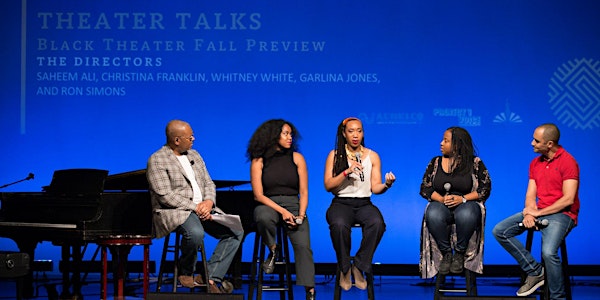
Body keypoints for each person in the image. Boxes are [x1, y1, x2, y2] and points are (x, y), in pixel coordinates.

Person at [147, 120, 243, 293]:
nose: (193, 139)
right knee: (196, 233)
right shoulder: (157, 159)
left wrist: (208, 202)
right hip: (177, 211)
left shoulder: (195, 155)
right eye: (189, 136)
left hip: (203, 208)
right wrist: (196, 207)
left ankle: (210, 277)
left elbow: (208, 182)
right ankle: (185, 271)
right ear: (177, 140)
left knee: (236, 231)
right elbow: (164, 195)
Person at [493, 123, 579, 299]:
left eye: (536, 141)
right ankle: (535, 271)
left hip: (562, 214)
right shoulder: (535, 163)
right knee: (500, 231)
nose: (532, 143)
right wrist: (530, 212)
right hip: (539, 211)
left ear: (549, 144)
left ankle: (557, 297)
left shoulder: (568, 161)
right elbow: (530, 194)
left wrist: (538, 213)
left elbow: (568, 199)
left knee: (548, 252)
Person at [246, 119, 316, 300]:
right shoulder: (259, 160)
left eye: (291, 134)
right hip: (268, 203)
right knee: (262, 216)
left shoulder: (297, 158)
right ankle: (272, 249)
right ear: (272, 135)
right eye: (285, 133)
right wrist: (283, 212)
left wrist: (300, 215)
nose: (290, 137)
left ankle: (310, 291)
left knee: (303, 246)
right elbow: (258, 195)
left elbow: (304, 191)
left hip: (294, 204)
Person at [324, 117, 395, 291]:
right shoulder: (334, 155)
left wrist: (386, 185)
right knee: (339, 225)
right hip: (341, 203)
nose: (356, 135)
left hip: (364, 203)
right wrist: (346, 172)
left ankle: (359, 266)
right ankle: (345, 268)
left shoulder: (372, 156)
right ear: (344, 134)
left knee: (377, 223)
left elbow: (375, 187)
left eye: (359, 131)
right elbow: (328, 185)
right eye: (351, 131)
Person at [419, 127, 492, 279]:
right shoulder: (435, 162)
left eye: (445, 141)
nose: (441, 143)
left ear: (457, 145)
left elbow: (485, 189)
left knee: (467, 213)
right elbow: (425, 188)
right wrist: (440, 199)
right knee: (432, 213)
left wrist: (462, 199)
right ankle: (446, 254)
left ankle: (459, 253)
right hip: (441, 203)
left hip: (466, 202)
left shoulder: (475, 163)